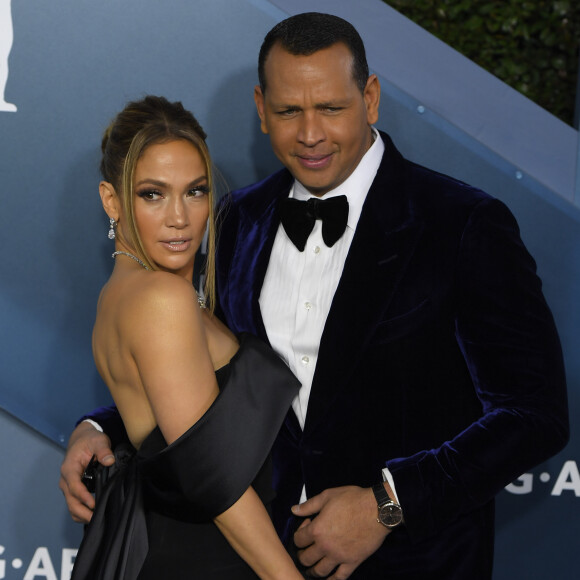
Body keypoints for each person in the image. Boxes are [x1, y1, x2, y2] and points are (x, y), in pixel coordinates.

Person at [60, 13, 569, 580]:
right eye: (287, 111)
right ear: (260, 108)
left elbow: (535, 415)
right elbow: (210, 387)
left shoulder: (463, 225)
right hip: (252, 560)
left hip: (414, 564)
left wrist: (388, 504)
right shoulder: (235, 221)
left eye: (330, 108)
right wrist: (105, 426)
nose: (310, 134)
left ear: (370, 98)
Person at [69, 95, 303, 580]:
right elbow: (213, 480)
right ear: (111, 199)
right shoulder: (161, 299)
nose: (180, 217)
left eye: (195, 191)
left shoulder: (123, 294)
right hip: (210, 559)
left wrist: (93, 427)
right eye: (152, 194)